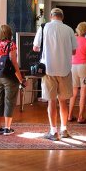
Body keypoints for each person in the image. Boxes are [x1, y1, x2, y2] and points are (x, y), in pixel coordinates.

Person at [34, 8, 77, 141]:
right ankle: (64, 130)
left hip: (48, 69)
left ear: (51, 16)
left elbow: (35, 47)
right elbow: (74, 52)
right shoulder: (69, 29)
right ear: (62, 17)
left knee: (51, 102)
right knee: (63, 102)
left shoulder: (44, 27)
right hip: (65, 69)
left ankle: (54, 132)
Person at [0, 25, 26, 135]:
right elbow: (14, 62)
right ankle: (7, 128)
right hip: (9, 76)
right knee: (9, 101)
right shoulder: (11, 45)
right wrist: (21, 79)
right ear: (10, 33)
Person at [68, 22, 86, 124]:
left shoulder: (73, 40)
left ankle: (69, 115)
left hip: (73, 67)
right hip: (83, 67)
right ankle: (80, 117)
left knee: (73, 93)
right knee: (83, 93)